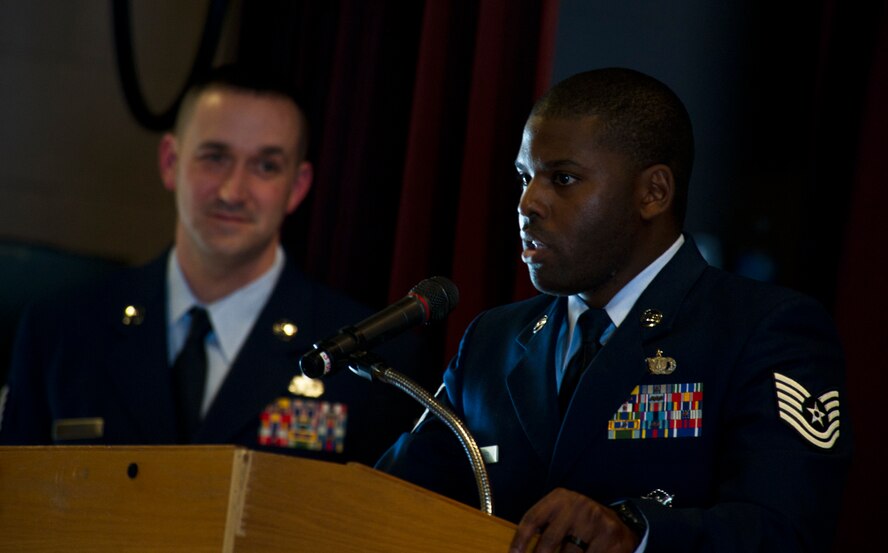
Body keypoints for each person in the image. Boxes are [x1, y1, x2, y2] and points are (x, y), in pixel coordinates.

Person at [377, 68, 851, 552]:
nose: (528, 202)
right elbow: (388, 500)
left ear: (653, 193)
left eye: (563, 178)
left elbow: (784, 532)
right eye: (525, 177)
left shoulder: (762, 330)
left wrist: (636, 532)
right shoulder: (493, 340)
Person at [0, 64, 420, 466]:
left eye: (266, 166)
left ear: (297, 187)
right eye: (215, 157)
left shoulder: (367, 358)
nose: (233, 191)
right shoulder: (61, 332)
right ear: (170, 162)